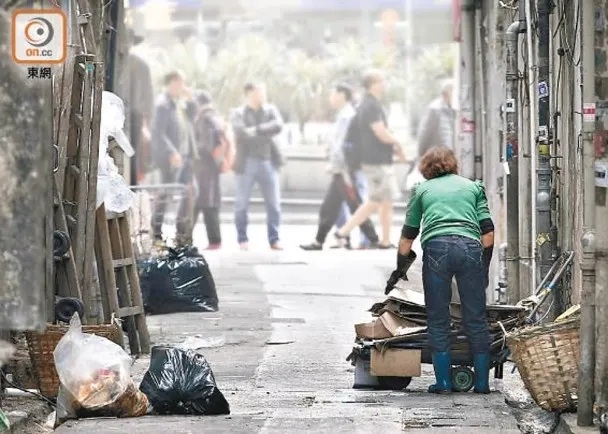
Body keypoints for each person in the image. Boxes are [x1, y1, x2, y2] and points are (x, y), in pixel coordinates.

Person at [386, 146, 495, 394]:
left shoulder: (422, 190)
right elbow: (488, 234)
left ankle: (443, 383)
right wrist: (482, 267)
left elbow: (406, 240)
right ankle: (482, 384)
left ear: (426, 168)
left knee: (438, 317)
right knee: (476, 318)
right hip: (470, 248)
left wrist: (399, 271)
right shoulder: (473, 187)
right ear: (454, 164)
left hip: (437, 250)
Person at [300, 83, 379, 251]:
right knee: (330, 206)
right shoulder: (343, 115)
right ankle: (319, 241)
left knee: (354, 205)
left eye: (332, 94)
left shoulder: (348, 116)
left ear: (342, 95)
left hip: (345, 170)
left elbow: (343, 145)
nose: (330, 98)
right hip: (340, 169)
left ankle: (373, 239)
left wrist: (341, 165)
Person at [334, 70, 404, 249]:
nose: (384, 84)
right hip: (376, 161)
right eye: (381, 80)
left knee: (385, 201)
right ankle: (343, 232)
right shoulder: (371, 106)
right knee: (375, 201)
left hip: (377, 160)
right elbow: (380, 132)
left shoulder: (369, 104)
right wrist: (397, 143)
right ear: (373, 84)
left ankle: (385, 240)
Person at [231, 82, 284, 251]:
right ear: (249, 94)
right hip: (246, 163)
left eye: (263, 92)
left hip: (268, 161)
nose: (262, 96)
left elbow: (278, 126)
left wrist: (257, 130)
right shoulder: (238, 113)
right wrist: (263, 133)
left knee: (274, 204)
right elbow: (241, 132)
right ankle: (242, 239)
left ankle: (274, 239)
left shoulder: (270, 110)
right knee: (241, 204)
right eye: (259, 93)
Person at [180, 91, 234, 250]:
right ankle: (210, 239)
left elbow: (206, 144)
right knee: (207, 203)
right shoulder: (215, 117)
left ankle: (186, 239)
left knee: (198, 202)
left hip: (204, 166)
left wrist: (192, 149)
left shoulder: (205, 119)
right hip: (211, 167)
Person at [150, 70, 196, 241]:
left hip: (185, 154)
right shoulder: (163, 104)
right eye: (179, 83)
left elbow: (193, 116)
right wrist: (171, 152)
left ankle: (182, 231)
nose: (182, 87)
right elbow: (158, 132)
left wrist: (190, 99)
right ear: (171, 83)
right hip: (171, 157)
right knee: (166, 193)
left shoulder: (179, 103)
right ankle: (156, 231)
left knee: (188, 192)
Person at [127, 29, 154, 185]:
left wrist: (147, 120)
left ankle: (132, 186)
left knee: (133, 152)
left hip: (134, 115)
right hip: (116, 111)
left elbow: (148, 94)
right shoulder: (114, 60)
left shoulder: (141, 66)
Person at [416, 79, 456, 158]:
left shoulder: (452, 108)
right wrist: (421, 155)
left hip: (447, 157)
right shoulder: (434, 109)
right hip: (436, 157)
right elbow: (424, 134)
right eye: (453, 92)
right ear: (445, 94)